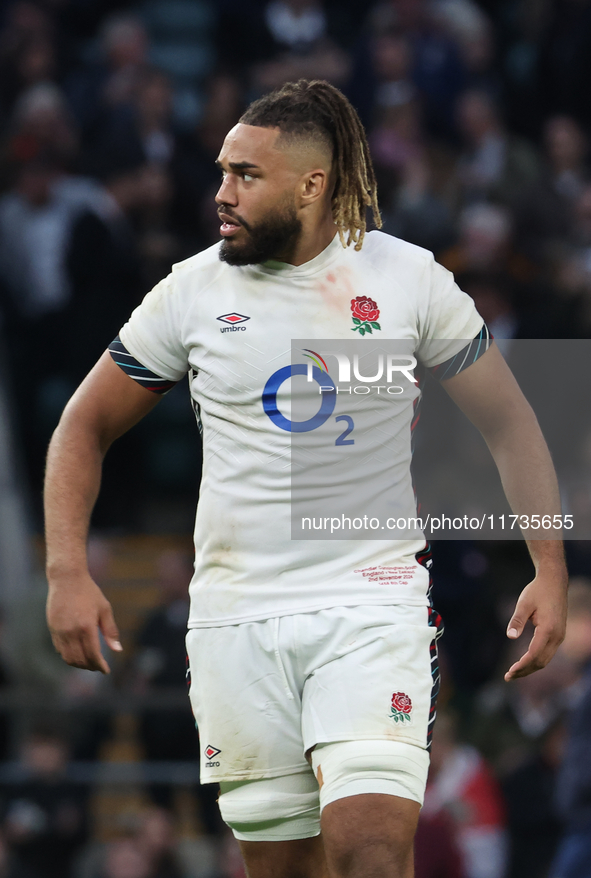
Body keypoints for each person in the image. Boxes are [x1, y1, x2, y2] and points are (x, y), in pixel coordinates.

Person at [44, 79, 567, 878]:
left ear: (311, 185)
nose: (221, 193)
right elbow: (83, 425)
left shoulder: (408, 279)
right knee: (284, 867)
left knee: (369, 848)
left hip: (369, 601)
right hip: (236, 618)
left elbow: (510, 419)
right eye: (221, 172)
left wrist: (549, 565)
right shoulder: (191, 292)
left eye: (244, 176)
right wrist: (66, 570)